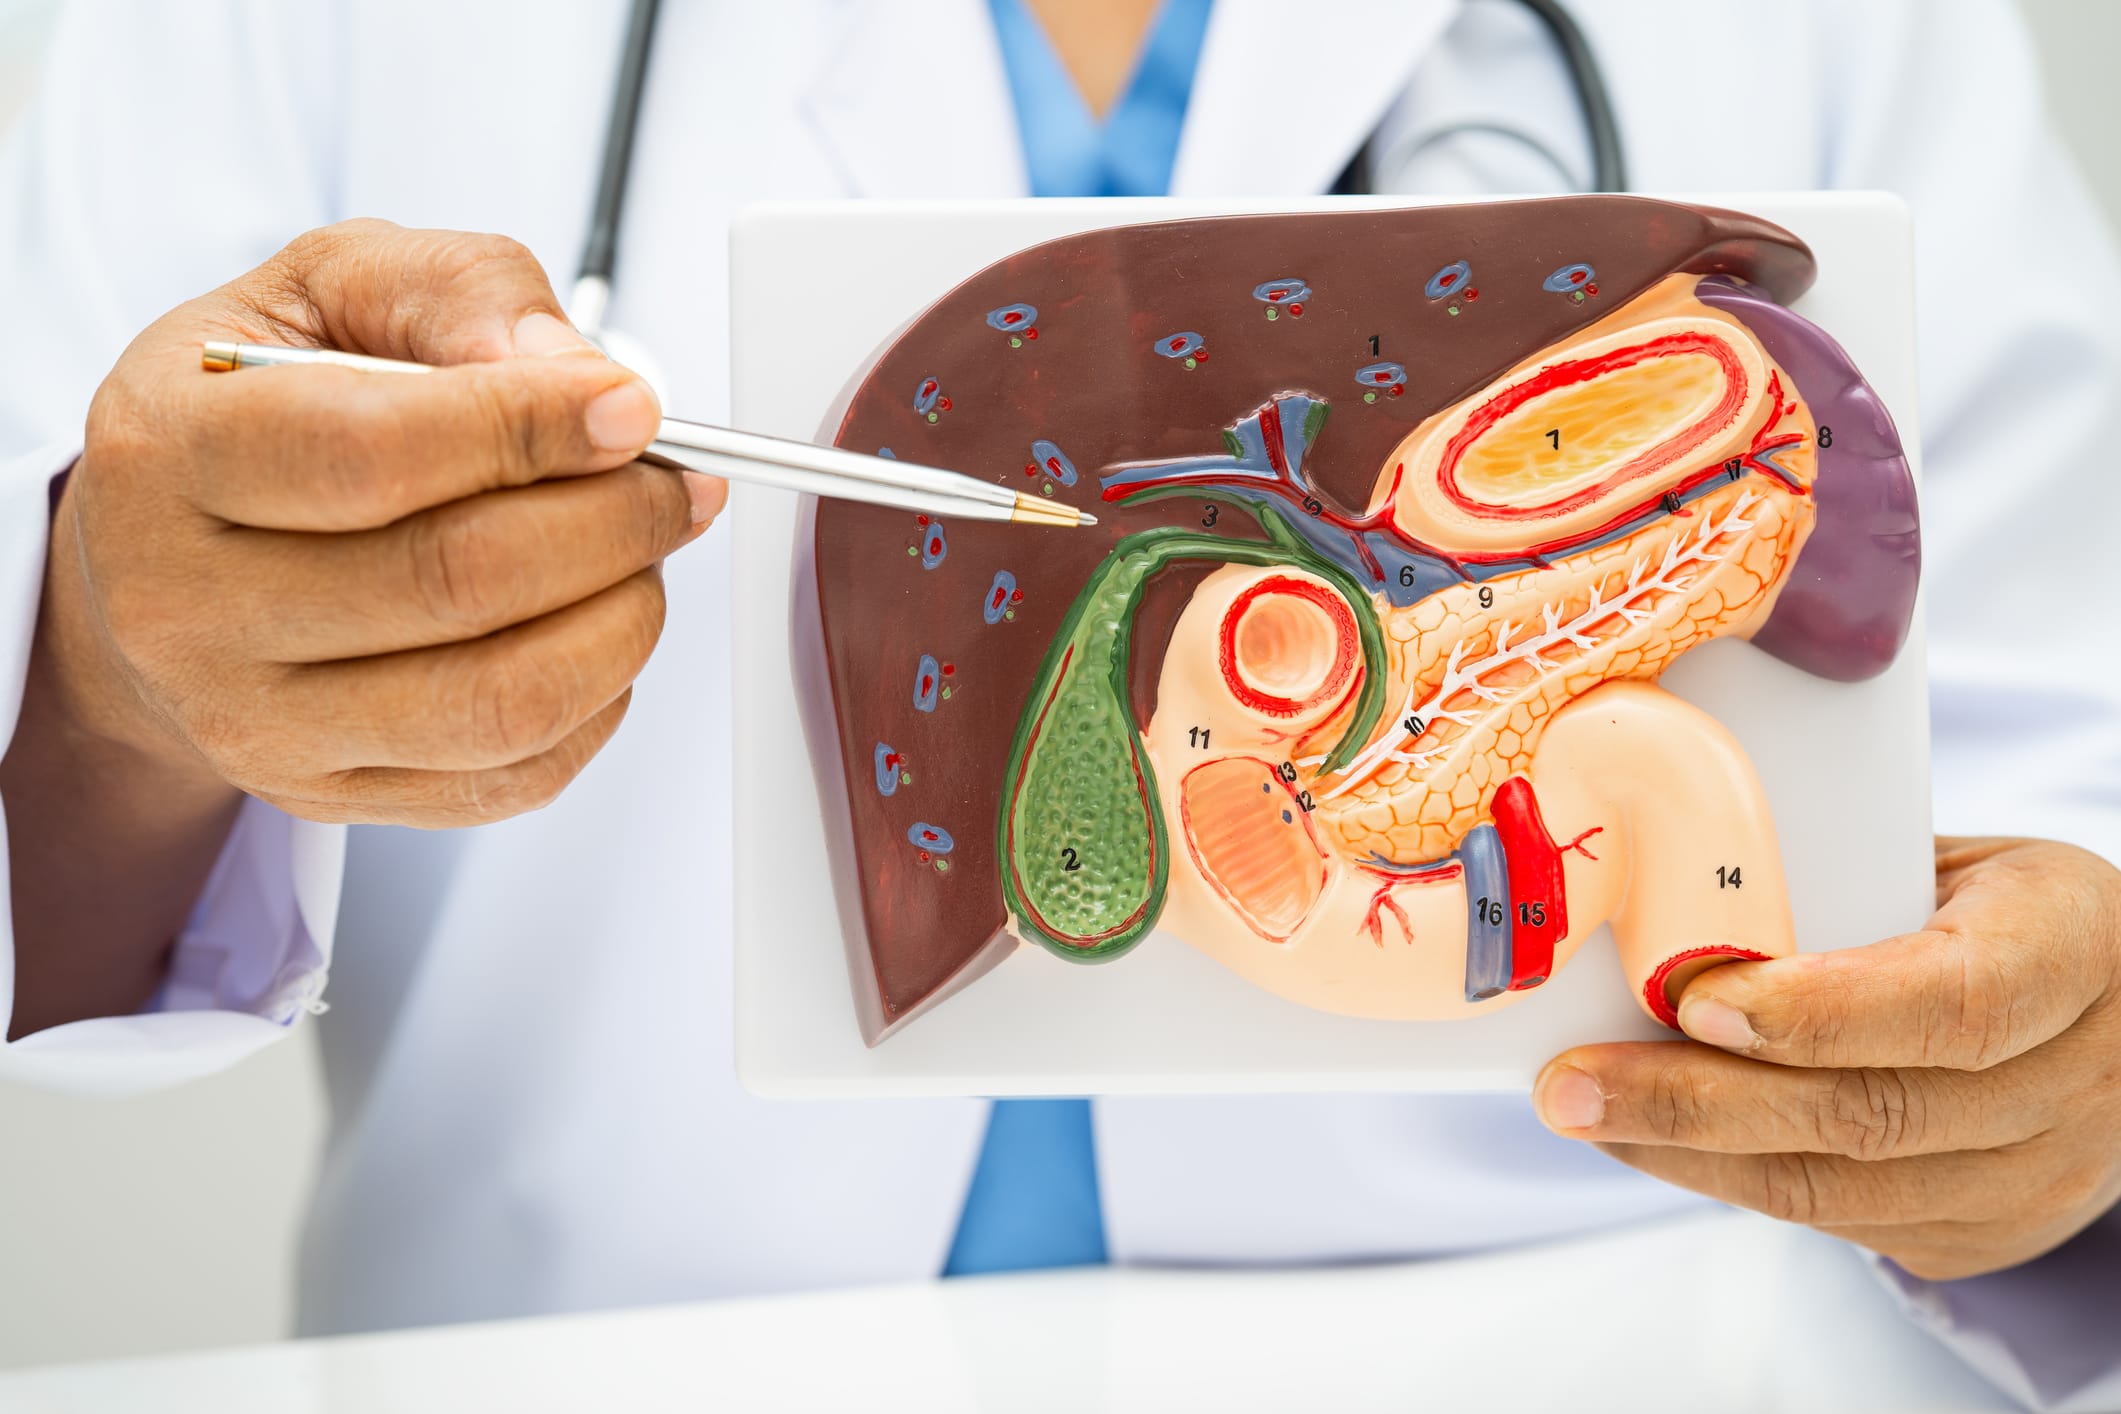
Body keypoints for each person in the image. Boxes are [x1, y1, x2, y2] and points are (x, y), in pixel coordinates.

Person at [2, 0, 2118, 1407]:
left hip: (1602, 1346)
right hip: (604, 1352)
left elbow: (2058, 785)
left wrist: (2054, 1081)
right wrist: (119, 654)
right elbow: (64, 701)